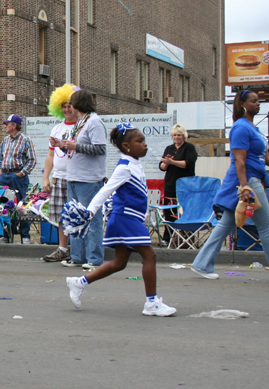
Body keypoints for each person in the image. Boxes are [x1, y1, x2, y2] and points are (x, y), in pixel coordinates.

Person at [191, 90, 269, 282]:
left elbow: (267, 157)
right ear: (243, 104)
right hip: (248, 181)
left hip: (249, 180)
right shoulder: (240, 128)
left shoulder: (254, 129)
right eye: (254, 101)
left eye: (259, 101)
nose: (258, 104)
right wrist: (245, 188)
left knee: (225, 225)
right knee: (267, 226)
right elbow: (239, 160)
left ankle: (201, 264)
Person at [66, 124, 177, 316]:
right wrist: (89, 212)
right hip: (125, 219)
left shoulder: (134, 164)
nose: (145, 145)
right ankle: (151, 303)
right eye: (139, 141)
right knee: (150, 256)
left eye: (144, 141)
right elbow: (105, 190)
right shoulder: (124, 167)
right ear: (126, 146)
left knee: (119, 263)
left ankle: (79, 282)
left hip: (128, 218)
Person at [58, 89, 107, 269]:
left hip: (89, 179)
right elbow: (75, 147)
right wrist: (63, 146)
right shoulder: (81, 122)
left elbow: (100, 148)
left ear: (78, 104)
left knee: (91, 219)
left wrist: (76, 146)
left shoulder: (94, 122)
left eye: (72, 102)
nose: (69, 106)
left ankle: (94, 258)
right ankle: (77, 256)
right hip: (74, 176)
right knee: (74, 218)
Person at [42, 84, 78, 262]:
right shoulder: (56, 128)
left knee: (77, 215)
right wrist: (45, 178)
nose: (66, 109)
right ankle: (63, 249)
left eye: (70, 105)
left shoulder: (81, 126)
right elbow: (50, 155)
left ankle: (78, 250)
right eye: (63, 106)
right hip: (59, 178)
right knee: (61, 216)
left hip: (76, 178)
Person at [0, 114, 37, 243]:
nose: (5, 126)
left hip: (17, 176)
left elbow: (32, 160)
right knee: (5, 206)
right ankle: (7, 234)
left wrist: (21, 173)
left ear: (14, 125)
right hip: (5, 176)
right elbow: (0, 157)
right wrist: (1, 171)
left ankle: (25, 236)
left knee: (21, 206)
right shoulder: (5, 140)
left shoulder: (26, 140)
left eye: (7, 124)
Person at [158, 124, 198, 245]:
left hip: (186, 186)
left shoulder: (189, 147)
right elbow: (162, 167)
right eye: (175, 135)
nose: (177, 137)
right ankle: (167, 238)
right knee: (169, 212)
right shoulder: (169, 148)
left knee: (185, 211)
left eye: (179, 135)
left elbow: (188, 164)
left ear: (184, 136)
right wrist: (166, 163)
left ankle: (186, 238)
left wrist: (172, 162)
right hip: (170, 184)